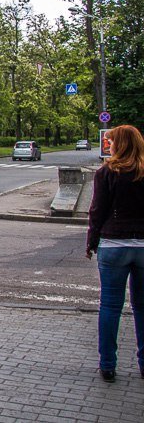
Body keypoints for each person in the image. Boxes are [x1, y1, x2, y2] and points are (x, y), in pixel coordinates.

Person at [86, 125, 144, 383]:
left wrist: (91, 242)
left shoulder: (106, 172)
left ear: (119, 144)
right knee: (142, 308)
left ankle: (107, 365)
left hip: (113, 245)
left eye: (111, 142)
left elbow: (97, 210)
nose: (108, 145)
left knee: (110, 307)